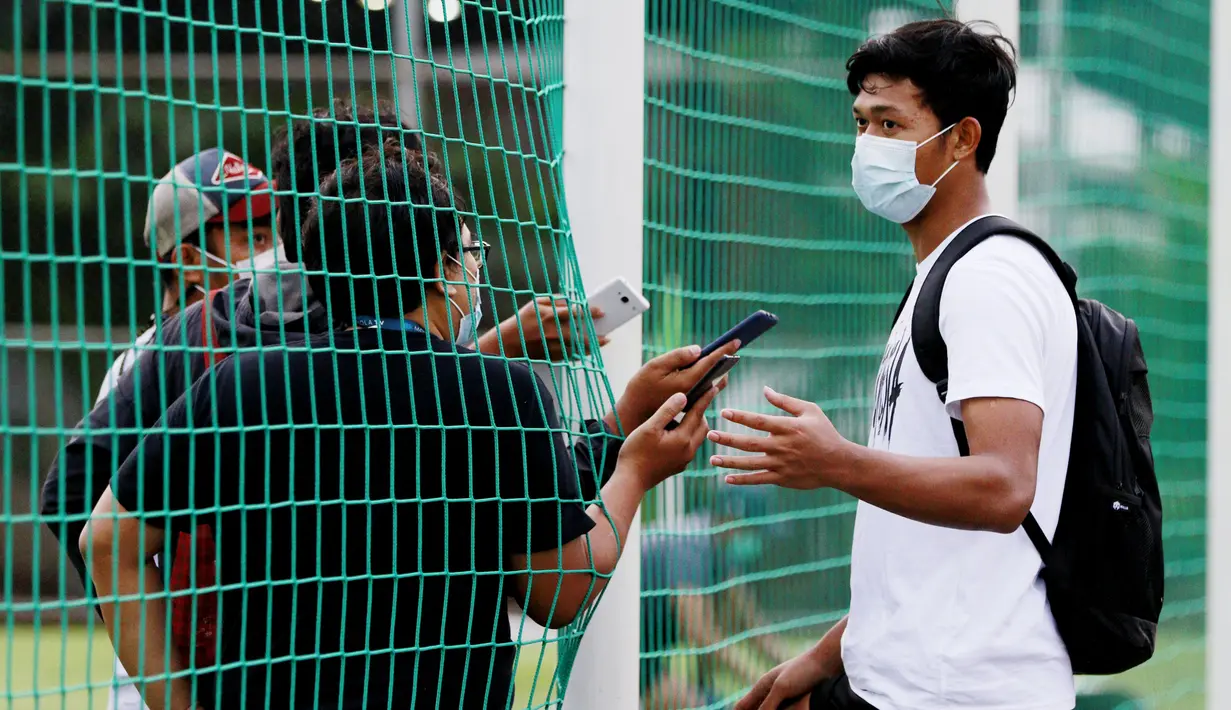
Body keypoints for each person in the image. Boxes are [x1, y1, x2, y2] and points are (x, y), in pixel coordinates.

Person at [79, 140, 736, 710]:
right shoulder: (499, 393)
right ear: (440, 265)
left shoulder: (241, 383)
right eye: (471, 251)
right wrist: (635, 469)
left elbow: (104, 540)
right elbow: (558, 592)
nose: (476, 270)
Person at [709, 19, 1078, 710]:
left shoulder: (987, 279)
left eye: (889, 124)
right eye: (860, 123)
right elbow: (926, 548)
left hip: (960, 694)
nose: (866, 147)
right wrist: (827, 656)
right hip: (901, 682)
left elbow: (1003, 489)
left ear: (962, 138)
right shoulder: (941, 278)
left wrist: (834, 462)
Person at [94, 148, 278, 400]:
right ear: (188, 262)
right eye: (256, 238)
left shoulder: (286, 336)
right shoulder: (133, 375)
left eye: (277, 236)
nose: (277, 253)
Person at [640, 486, 792, 710]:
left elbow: (751, 623)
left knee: (713, 702)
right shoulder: (689, 546)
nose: (757, 539)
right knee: (702, 705)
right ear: (733, 517)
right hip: (626, 647)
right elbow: (700, 633)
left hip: (650, 651)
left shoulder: (721, 548)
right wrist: (760, 682)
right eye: (755, 530)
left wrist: (792, 668)